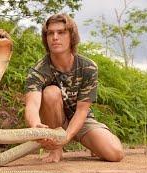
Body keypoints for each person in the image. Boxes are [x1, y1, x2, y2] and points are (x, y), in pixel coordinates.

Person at [24, 13, 124, 163]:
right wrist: (35, 125)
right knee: (51, 92)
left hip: (80, 119)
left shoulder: (88, 67)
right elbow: (32, 104)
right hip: (53, 121)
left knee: (115, 154)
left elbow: (82, 110)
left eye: (61, 32)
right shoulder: (38, 71)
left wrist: (67, 136)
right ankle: (56, 151)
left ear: (72, 36)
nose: (55, 37)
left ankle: (92, 143)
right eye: (50, 33)